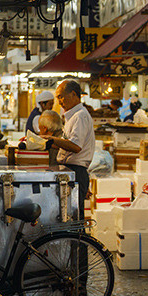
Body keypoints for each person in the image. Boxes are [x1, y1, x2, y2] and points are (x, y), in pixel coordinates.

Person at [43, 79, 95, 220]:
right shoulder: (72, 117)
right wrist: (43, 143)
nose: (59, 101)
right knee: (68, 215)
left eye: (61, 96)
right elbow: (67, 145)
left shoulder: (80, 116)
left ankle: (79, 243)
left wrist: (52, 139)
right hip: (69, 169)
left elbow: (75, 146)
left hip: (76, 171)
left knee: (74, 217)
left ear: (73, 94)